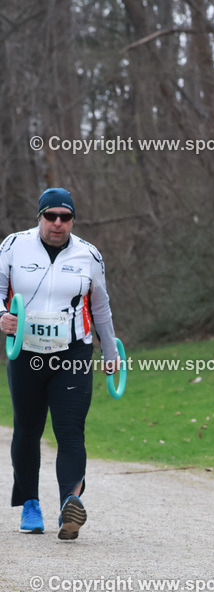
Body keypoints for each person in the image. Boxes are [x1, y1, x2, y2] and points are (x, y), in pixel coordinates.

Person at [1, 188, 119, 540]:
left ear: (72, 220)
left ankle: (71, 501)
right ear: (39, 216)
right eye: (50, 216)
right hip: (25, 351)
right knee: (28, 428)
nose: (57, 223)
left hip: (73, 352)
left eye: (65, 217)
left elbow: (100, 306)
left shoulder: (89, 255)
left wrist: (110, 352)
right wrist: (1, 316)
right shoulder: (12, 247)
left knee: (70, 429)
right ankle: (30, 503)